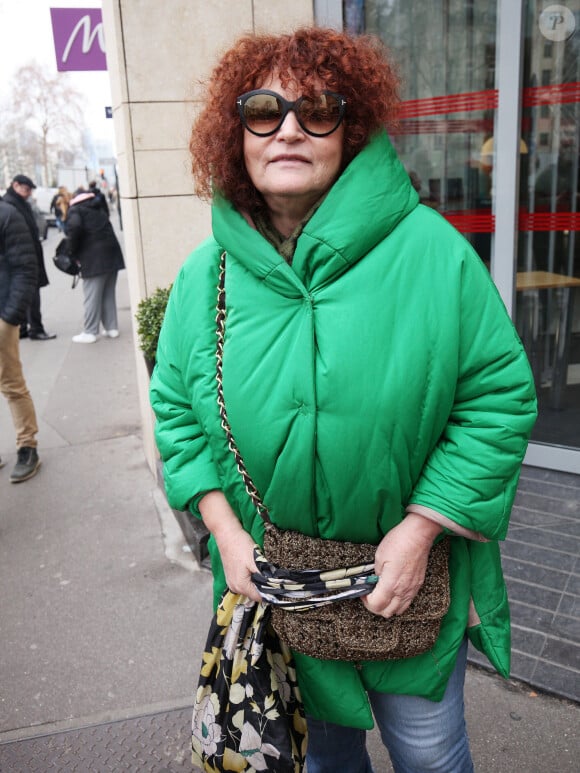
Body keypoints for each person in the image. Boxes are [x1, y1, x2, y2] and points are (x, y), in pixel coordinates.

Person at [150, 28, 537, 773]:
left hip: (405, 587)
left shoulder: (433, 253)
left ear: (348, 131)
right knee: (324, 761)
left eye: (318, 109)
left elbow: (497, 399)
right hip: (278, 591)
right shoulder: (205, 278)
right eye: (264, 110)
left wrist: (421, 531)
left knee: (430, 755)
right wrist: (224, 532)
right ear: (238, 135)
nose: (289, 128)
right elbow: (175, 411)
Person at [0, 194, 42, 482]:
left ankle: (28, 447)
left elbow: (26, 267)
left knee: (12, 384)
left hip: (2, 315)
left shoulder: (7, 214)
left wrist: (10, 317)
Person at [65, 188, 125, 343]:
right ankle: (112, 328)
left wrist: (71, 252)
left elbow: (74, 230)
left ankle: (90, 331)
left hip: (93, 259)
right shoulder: (98, 207)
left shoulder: (76, 210)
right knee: (108, 294)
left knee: (92, 296)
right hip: (112, 255)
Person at [3, 175, 56, 341]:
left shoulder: (16, 203)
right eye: (26, 190)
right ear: (15, 185)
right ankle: (35, 329)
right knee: (31, 295)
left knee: (27, 294)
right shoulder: (11, 205)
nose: (29, 194)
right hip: (22, 259)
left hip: (25, 255)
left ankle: (23, 328)